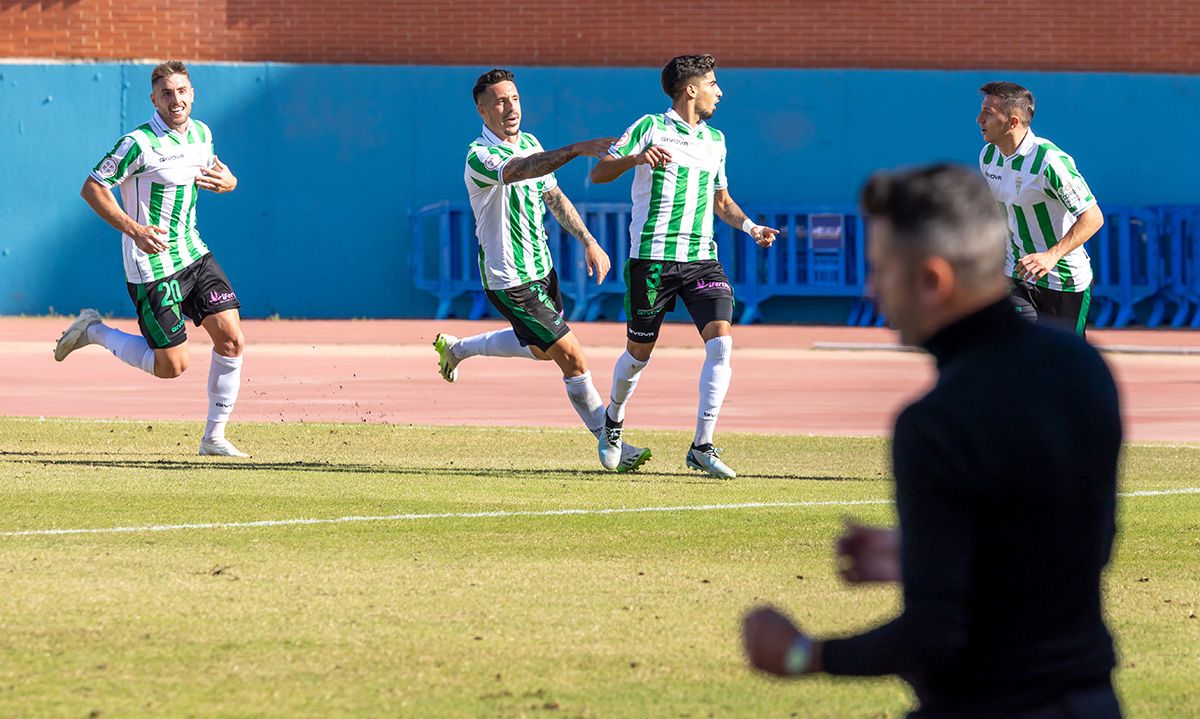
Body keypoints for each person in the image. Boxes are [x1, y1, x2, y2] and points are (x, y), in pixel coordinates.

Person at [741, 164, 1123, 719]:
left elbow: (934, 634)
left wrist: (800, 653)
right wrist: (918, 551)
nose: (872, 290)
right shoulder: (1085, 369)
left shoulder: (938, 421)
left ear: (932, 280)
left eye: (881, 271)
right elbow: (1072, 543)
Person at [434, 68, 652, 473]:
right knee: (572, 357)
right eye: (499, 101)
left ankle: (458, 348)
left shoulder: (531, 141)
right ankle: (612, 443)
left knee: (539, 349)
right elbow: (523, 170)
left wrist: (588, 240)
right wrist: (577, 148)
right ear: (482, 111)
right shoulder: (479, 155)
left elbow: (553, 195)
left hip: (541, 269)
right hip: (508, 278)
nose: (510, 107)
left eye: (514, 98)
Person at [589, 54, 778, 479]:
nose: (719, 91)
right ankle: (613, 422)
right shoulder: (649, 127)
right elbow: (599, 173)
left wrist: (750, 228)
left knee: (722, 343)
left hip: (701, 260)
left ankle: (702, 445)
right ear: (690, 89)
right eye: (712, 82)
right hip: (652, 258)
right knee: (638, 355)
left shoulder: (716, 141)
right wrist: (636, 159)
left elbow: (722, 201)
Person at [55, 60, 249, 457]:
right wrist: (134, 229)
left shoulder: (202, 133)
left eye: (181, 91)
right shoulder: (138, 143)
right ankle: (94, 331)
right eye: (166, 93)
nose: (175, 100)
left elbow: (215, 172)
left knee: (231, 340)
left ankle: (213, 439)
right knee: (172, 367)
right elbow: (92, 188)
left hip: (194, 253)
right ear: (154, 99)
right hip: (152, 264)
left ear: (192, 94)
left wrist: (230, 182)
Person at [976, 81, 1104, 336]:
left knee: (1063, 365)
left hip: (1063, 281)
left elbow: (1093, 217)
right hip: (1015, 274)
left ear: (1012, 122)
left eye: (988, 113)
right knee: (1009, 342)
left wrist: (1051, 256)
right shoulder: (988, 157)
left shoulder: (1050, 162)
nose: (979, 119)